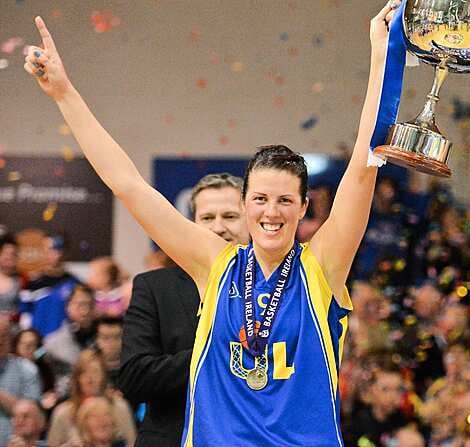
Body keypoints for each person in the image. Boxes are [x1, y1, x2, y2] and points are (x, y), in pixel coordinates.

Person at [25, 0, 397, 443]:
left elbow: (362, 166)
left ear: (303, 208)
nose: (271, 212)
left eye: (283, 201)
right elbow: (129, 185)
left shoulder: (322, 267)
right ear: (245, 204)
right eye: (259, 198)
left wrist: (382, 57)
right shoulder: (216, 265)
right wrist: (65, 94)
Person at [117, 173, 250, 447]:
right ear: (192, 225)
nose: (219, 227)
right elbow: (133, 376)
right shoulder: (155, 287)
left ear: (250, 221)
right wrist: (215, 355)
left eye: (230, 216)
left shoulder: (279, 288)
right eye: (207, 218)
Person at [47, 350, 136, 447]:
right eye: (84, 372)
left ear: (104, 376)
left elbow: (132, 443)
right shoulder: (63, 412)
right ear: (77, 378)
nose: (89, 378)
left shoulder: (119, 407)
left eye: (95, 371)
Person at [19, 235, 80, 338]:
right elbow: (24, 315)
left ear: (65, 252)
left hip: (65, 342)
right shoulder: (32, 283)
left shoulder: (75, 283)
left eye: (57, 249)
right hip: (38, 342)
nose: (54, 254)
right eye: (47, 250)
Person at [0, 315, 42, 445]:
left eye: (4, 336)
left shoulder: (27, 369)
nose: (0, 341)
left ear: (10, 339)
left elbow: (31, 415)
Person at [44, 285, 97, 367]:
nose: (86, 311)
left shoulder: (105, 338)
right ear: (68, 307)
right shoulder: (50, 343)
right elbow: (37, 355)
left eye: (91, 305)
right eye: (80, 305)